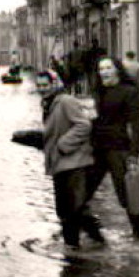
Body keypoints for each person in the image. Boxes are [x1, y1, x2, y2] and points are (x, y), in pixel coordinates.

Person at [38, 70, 103, 248]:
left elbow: (84, 125)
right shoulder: (48, 104)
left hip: (74, 163)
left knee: (74, 209)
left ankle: (88, 243)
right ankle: (77, 245)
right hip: (60, 164)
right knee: (65, 209)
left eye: (45, 85)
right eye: (40, 85)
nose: (42, 89)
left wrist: (63, 144)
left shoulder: (66, 101)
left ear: (54, 84)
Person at [86, 56, 139, 240]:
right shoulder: (97, 91)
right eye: (101, 69)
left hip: (118, 149)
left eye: (107, 68)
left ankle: (138, 234)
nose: (103, 72)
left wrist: (134, 154)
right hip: (96, 149)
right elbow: (92, 118)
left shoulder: (129, 91)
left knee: (126, 195)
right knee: (83, 191)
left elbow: (136, 125)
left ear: (117, 70)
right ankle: (90, 232)